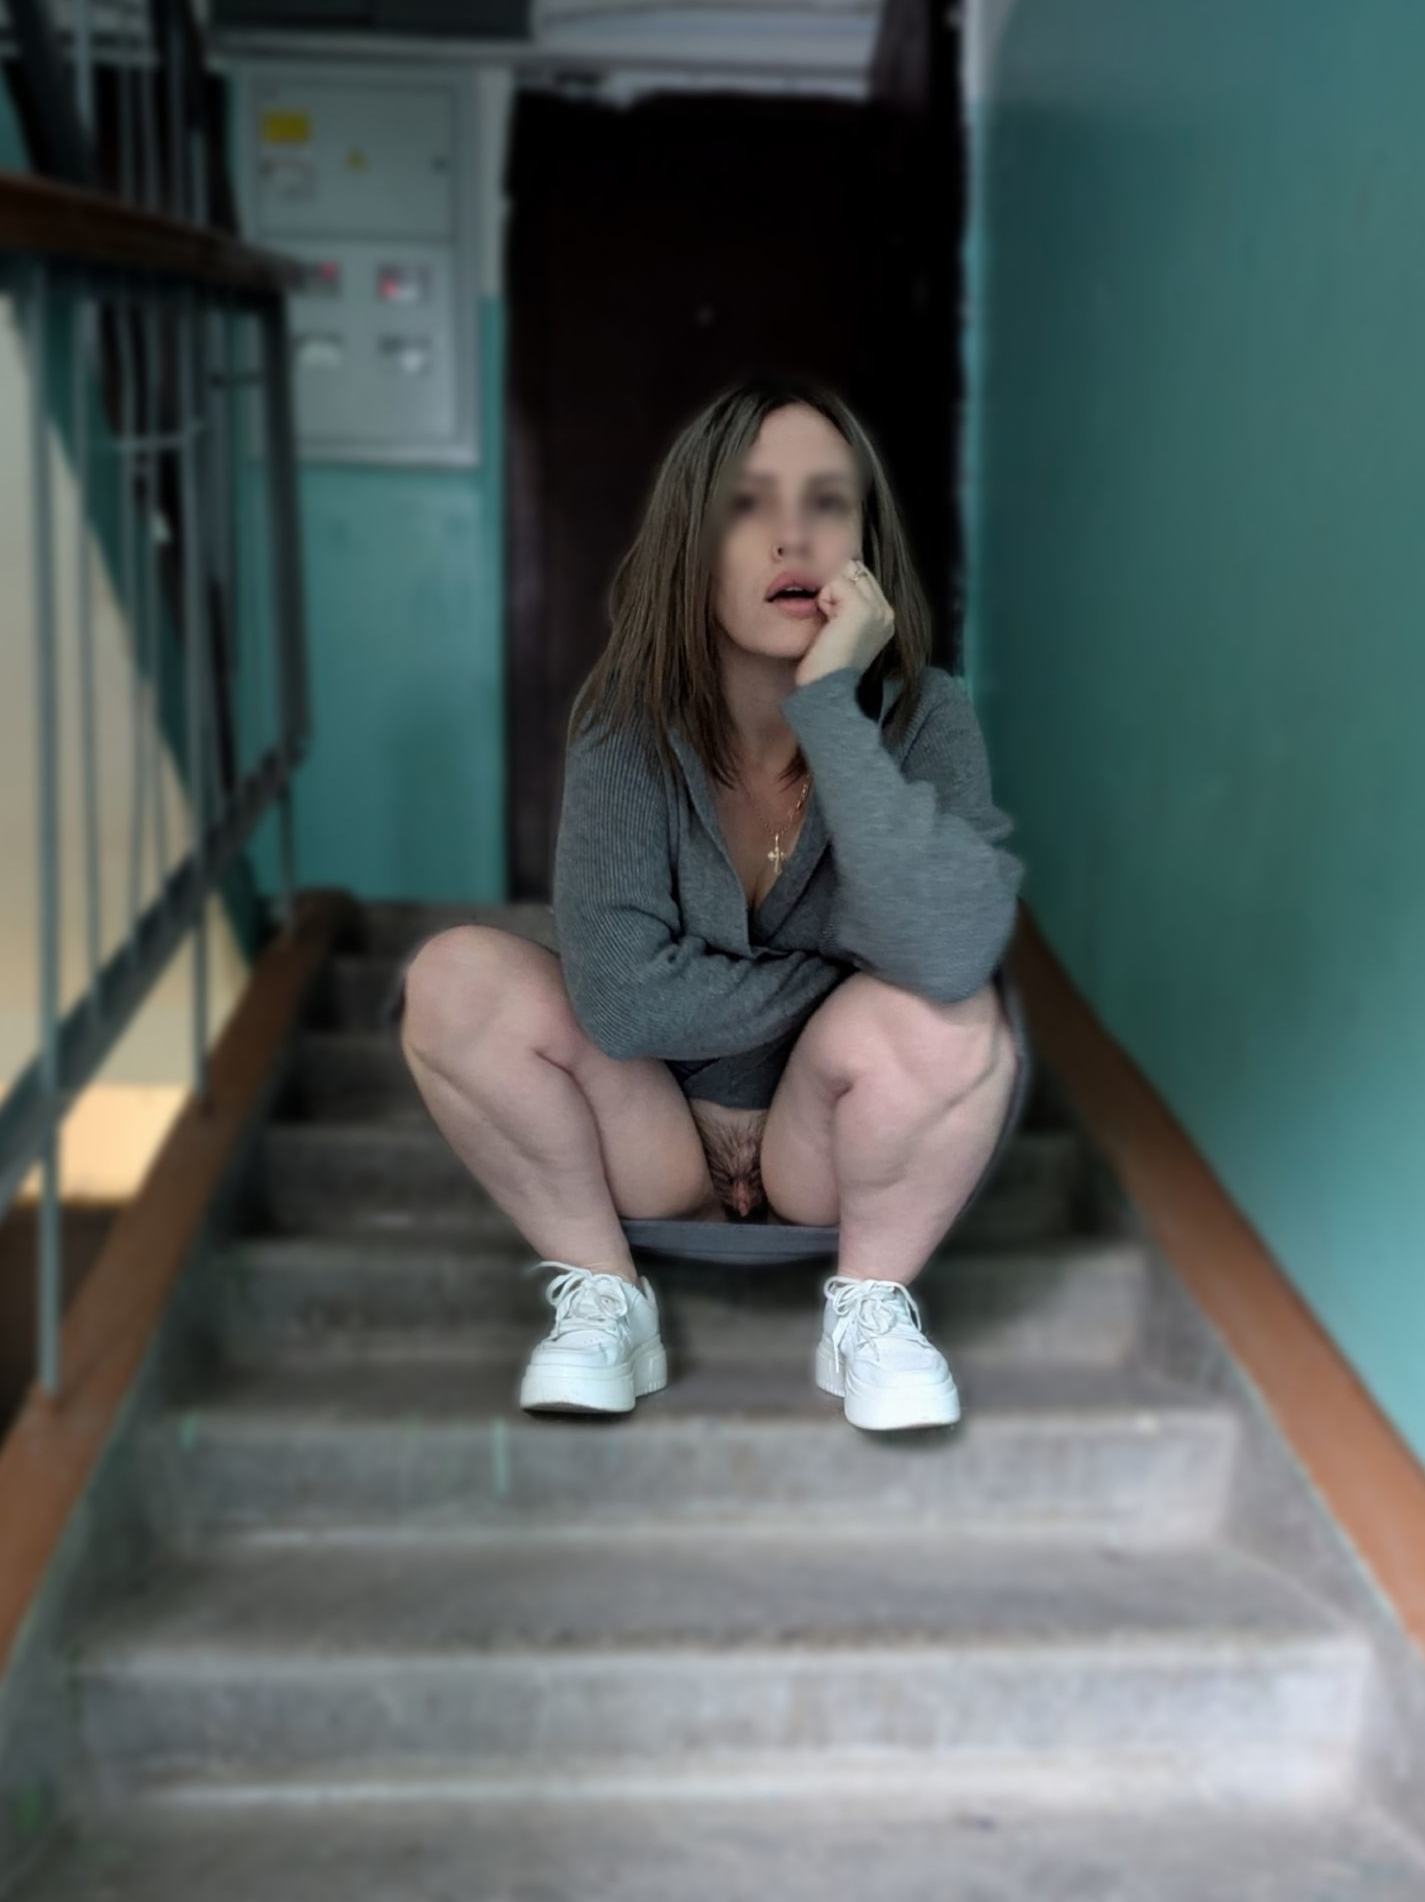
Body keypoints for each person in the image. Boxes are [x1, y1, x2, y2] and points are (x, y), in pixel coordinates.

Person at [390, 373, 1031, 1433]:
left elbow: (950, 953)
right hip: (656, 1137)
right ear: (693, 542)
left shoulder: (926, 715)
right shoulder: (625, 725)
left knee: (952, 1016)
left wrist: (832, 711)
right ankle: (607, 1297)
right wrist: (837, 980)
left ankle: (869, 1308)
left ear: (866, 543)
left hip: (828, 1143)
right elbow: (620, 997)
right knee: (454, 981)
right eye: (747, 503)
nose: (794, 536)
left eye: (828, 502)